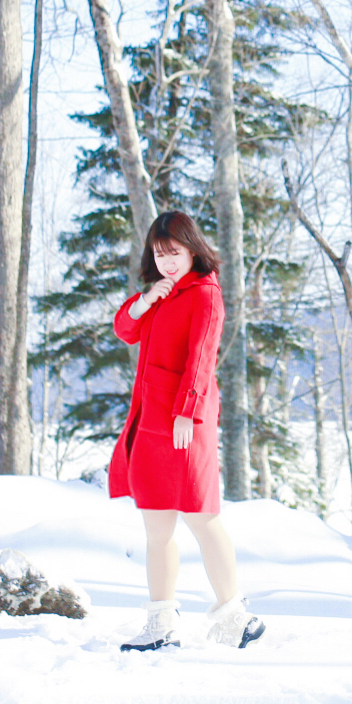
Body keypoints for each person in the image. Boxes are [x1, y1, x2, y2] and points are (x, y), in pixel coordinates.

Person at [109, 211, 265, 652]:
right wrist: (144, 299)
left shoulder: (204, 293)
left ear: (193, 249)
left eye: (174, 253)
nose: (167, 263)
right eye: (159, 255)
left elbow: (201, 357)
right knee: (156, 528)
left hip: (185, 423)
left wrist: (186, 412)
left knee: (202, 517)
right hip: (153, 421)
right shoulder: (163, 293)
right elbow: (126, 330)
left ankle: (235, 617)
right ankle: (161, 623)